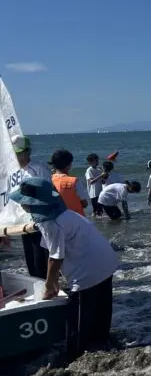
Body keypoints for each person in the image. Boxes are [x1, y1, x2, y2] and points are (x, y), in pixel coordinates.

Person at [10, 177, 119, 361]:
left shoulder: (50, 223)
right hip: (106, 263)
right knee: (99, 321)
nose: (22, 205)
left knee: (76, 323)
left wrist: (49, 286)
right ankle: (106, 351)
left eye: (23, 202)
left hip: (88, 273)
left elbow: (55, 258)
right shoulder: (65, 214)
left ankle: (77, 361)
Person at [12, 134, 52, 278]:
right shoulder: (16, 171)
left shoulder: (38, 169)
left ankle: (48, 285)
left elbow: (49, 193)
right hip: (23, 221)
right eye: (15, 153)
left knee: (40, 256)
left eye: (20, 153)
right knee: (30, 256)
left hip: (39, 220)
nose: (17, 156)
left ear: (28, 151)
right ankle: (37, 283)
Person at [50, 149, 89, 216]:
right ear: (69, 165)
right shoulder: (74, 181)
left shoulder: (48, 180)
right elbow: (85, 204)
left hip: (56, 220)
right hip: (76, 220)